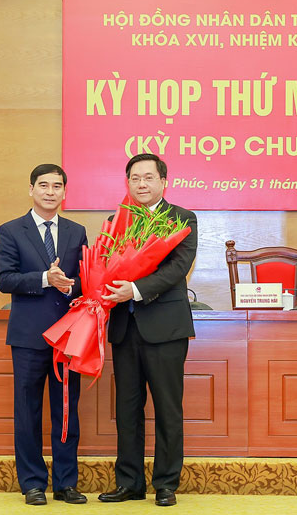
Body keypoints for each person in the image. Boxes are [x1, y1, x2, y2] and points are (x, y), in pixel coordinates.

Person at [98, 153, 198, 507]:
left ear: (163, 182)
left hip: (165, 327)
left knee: (168, 409)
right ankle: (129, 482)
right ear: (127, 183)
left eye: (148, 178)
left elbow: (177, 269)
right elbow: (104, 265)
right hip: (125, 327)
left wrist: (135, 290)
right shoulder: (115, 221)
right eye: (135, 178)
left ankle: (166, 483)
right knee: (127, 409)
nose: (142, 184)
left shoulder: (182, 219)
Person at [0, 164, 89, 506]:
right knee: (28, 411)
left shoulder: (76, 231)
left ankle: (66, 483)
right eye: (44, 185)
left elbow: (85, 280)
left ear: (65, 192)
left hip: (68, 337)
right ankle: (32, 483)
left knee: (67, 411)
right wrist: (45, 279)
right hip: (28, 336)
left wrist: (69, 285)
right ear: (31, 189)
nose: (50, 192)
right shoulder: (11, 231)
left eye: (57, 186)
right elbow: (4, 279)